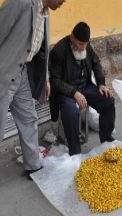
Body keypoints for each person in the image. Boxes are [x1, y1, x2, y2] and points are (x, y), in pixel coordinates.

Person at [0, 0, 71, 196]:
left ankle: (33, 165)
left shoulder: (45, 12)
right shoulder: (20, 0)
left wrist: (45, 77)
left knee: (29, 119)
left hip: (23, 74)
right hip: (4, 73)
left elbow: (40, 49)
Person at [49, 22, 115, 155]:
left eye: (85, 44)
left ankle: (106, 141)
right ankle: (75, 151)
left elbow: (96, 64)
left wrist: (101, 84)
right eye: (80, 44)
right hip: (66, 91)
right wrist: (74, 93)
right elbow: (54, 80)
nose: (82, 48)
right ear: (72, 37)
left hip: (84, 86)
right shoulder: (59, 51)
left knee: (108, 100)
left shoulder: (86, 46)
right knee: (71, 112)